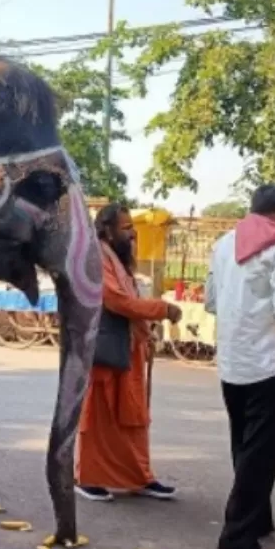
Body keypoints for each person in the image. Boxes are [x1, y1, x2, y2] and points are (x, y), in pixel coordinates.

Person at [204, 184, 275, 549]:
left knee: (244, 446)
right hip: (268, 363)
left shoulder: (223, 243)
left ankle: (258, 519)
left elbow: (211, 301)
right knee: (261, 453)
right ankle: (238, 538)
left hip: (233, 360)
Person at [75, 203, 181, 503]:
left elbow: (129, 298)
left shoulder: (118, 259)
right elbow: (116, 300)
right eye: (126, 228)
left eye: (132, 227)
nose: (133, 234)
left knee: (132, 416)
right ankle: (88, 478)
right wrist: (161, 309)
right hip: (107, 349)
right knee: (98, 416)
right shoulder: (97, 257)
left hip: (129, 347)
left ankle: (139, 477)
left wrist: (147, 322)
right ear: (107, 230)